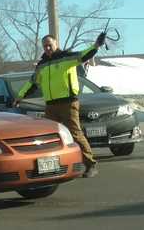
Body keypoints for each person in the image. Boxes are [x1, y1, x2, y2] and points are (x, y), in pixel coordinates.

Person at [14, 32, 108, 178]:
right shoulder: (42, 65)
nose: (47, 48)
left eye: (49, 45)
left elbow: (85, 54)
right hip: (51, 105)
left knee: (75, 134)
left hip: (68, 102)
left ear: (56, 44)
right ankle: (53, 165)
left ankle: (90, 164)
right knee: (50, 136)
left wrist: (96, 45)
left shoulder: (67, 57)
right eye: (45, 46)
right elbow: (32, 83)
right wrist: (20, 96)